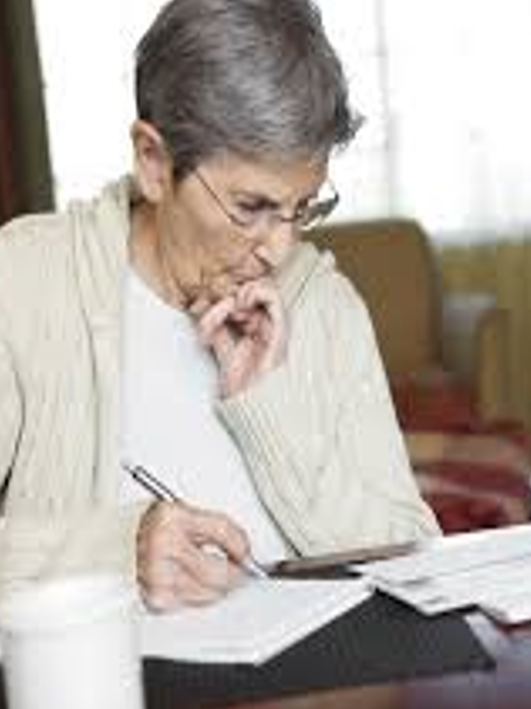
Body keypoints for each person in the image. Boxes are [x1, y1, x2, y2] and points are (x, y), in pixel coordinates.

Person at [0, 0, 439, 610]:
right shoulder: (24, 281)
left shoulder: (326, 307)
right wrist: (111, 554)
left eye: (303, 208)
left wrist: (269, 410)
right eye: (251, 208)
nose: (281, 250)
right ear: (154, 163)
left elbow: (417, 561)